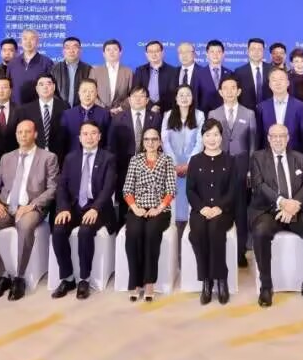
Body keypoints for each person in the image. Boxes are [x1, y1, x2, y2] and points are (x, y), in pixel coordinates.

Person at [0, 120, 59, 301]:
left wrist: (32, 205)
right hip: (5, 206)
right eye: (19, 132)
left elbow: (53, 188)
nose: (23, 135)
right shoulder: (6, 158)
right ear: (16, 135)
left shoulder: (48, 157)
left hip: (31, 207)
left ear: (35, 134)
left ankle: (19, 278)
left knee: (25, 226)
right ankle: (2, 276)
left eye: (27, 132)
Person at [249, 124, 303, 308]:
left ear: (288, 138)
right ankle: (266, 286)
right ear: (268, 138)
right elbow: (259, 185)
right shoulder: (258, 157)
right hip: (268, 210)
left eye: (282, 136)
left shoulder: (299, 158)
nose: (278, 139)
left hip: (296, 209)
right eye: (274, 136)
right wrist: (283, 202)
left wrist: (294, 204)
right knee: (260, 232)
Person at [52, 122, 118, 300]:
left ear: (100, 136)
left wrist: (95, 208)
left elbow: (108, 188)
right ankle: (68, 278)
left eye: (93, 133)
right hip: (74, 207)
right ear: (79, 138)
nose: (89, 137)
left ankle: (84, 279)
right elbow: (61, 187)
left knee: (85, 231)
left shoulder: (108, 158)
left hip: (98, 208)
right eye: (85, 134)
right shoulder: (70, 158)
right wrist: (63, 208)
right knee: (58, 230)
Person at [208, 75, 258, 268]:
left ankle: (240, 252)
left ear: (239, 91)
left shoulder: (249, 113)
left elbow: (253, 145)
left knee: (241, 211)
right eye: (225, 88)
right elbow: (209, 142)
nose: (229, 91)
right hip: (218, 167)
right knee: (219, 207)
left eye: (232, 88)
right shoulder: (213, 113)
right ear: (220, 92)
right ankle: (220, 249)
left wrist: (250, 170)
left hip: (241, 168)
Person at [122, 126, 176, 302]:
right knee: (134, 233)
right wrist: (135, 207)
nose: (150, 143)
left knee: (152, 233)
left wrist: (158, 208)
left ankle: (149, 282)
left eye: (154, 139)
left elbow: (171, 190)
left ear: (159, 142)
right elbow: (127, 189)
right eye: (147, 139)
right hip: (137, 208)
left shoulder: (167, 160)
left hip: (160, 209)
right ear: (142, 142)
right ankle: (135, 282)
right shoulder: (135, 160)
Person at [186, 119, 235, 305]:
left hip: (223, 211)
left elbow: (233, 190)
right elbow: (190, 190)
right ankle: (206, 280)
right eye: (208, 135)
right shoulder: (195, 161)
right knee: (197, 232)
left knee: (215, 230)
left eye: (216, 134)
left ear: (221, 137)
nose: (212, 139)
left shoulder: (230, 160)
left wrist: (219, 207)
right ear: (202, 137)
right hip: (200, 210)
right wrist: (202, 207)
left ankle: (221, 278)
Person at [107, 85, 161, 222]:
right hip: (124, 168)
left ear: (147, 100)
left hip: (149, 168)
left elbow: (160, 144)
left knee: (148, 205)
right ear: (129, 100)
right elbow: (111, 145)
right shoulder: (118, 118)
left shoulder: (155, 118)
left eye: (141, 96)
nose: (138, 99)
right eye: (134, 96)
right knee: (125, 206)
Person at [162, 84, 204, 223]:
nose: (184, 98)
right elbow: (165, 141)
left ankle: (191, 222)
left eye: (188, 95)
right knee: (174, 196)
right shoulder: (168, 115)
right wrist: (174, 163)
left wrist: (189, 164)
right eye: (181, 95)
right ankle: (174, 222)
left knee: (191, 194)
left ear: (192, 98)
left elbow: (200, 141)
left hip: (193, 162)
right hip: (172, 163)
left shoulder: (199, 115)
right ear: (176, 98)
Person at [15, 73, 70, 159]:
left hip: (59, 156)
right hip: (33, 156)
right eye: (41, 84)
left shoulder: (65, 107)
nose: (45, 87)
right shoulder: (25, 110)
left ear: (54, 87)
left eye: (49, 84)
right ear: (37, 89)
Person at [255, 68, 303, 152]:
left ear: (288, 83)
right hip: (268, 155)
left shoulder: (300, 106)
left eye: (281, 79)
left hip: (294, 155)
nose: (278, 83)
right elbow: (259, 137)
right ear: (269, 85)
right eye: (274, 80)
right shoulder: (261, 107)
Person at [60, 78, 112, 150]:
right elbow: (63, 142)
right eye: (84, 91)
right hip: (73, 155)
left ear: (96, 93)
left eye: (91, 91)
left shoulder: (104, 114)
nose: (87, 94)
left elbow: (108, 141)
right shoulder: (67, 115)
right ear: (79, 93)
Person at [132, 39, 177, 113]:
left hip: (166, 110)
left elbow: (172, 93)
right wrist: (150, 106)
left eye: (157, 51)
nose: (154, 54)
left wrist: (158, 106)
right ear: (146, 54)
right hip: (144, 109)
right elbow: (136, 91)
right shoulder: (140, 70)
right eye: (150, 52)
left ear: (162, 53)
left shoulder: (172, 71)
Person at [90, 38, 133, 113]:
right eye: (108, 50)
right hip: (100, 111)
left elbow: (132, 93)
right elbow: (91, 92)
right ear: (103, 54)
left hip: (121, 112)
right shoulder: (95, 71)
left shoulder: (128, 72)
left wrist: (120, 108)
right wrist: (104, 108)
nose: (111, 52)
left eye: (115, 49)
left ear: (120, 53)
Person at [172, 41, 215, 115]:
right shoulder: (173, 72)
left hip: (199, 115)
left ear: (194, 54)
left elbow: (208, 98)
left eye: (187, 52)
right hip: (176, 115)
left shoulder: (205, 73)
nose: (184, 55)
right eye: (181, 52)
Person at [51, 36, 93, 108]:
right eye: (68, 48)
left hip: (82, 109)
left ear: (80, 50)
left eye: (75, 47)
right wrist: (59, 105)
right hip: (59, 109)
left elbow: (91, 90)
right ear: (63, 51)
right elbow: (51, 90)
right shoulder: (54, 69)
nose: (71, 51)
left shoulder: (88, 69)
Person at [234, 37, 273, 111]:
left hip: (269, 111)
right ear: (248, 51)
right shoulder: (239, 72)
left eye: (259, 49)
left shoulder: (272, 70)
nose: (256, 52)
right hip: (246, 112)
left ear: (263, 52)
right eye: (253, 49)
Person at [199, 39, 231, 112]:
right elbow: (196, 98)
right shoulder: (199, 74)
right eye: (212, 52)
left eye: (218, 52)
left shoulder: (229, 73)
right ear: (207, 54)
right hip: (205, 114)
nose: (215, 55)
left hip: (225, 114)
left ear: (223, 54)